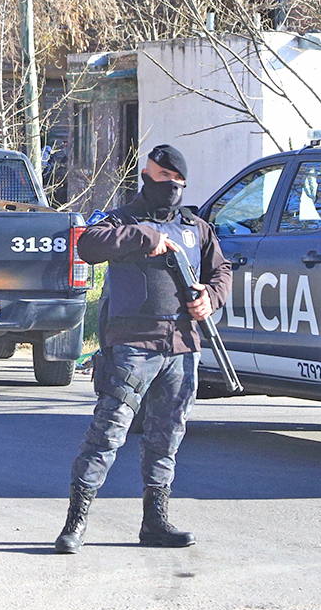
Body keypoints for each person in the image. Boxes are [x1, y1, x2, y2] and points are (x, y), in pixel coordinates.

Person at [54, 144, 231, 554]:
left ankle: (155, 522)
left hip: (183, 345)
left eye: (176, 182)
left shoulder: (195, 228)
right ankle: (75, 523)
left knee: (166, 437)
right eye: (161, 179)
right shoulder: (122, 221)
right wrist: (144, 236)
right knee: (108, 433)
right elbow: (89, 245)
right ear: (146, 178)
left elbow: (221, 270)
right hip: (133, 346)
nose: (169, 187)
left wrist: (211, 297)